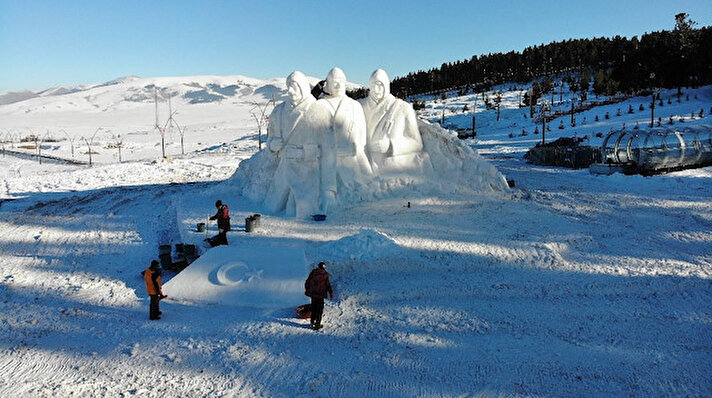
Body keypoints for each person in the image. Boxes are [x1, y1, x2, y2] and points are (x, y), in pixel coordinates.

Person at [265, 71, 336, 218]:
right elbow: (270, 140)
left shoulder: (319, 110)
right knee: (273, 209)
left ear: (303, 87)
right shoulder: (278, 111)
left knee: (299, 212)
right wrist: (272, 145)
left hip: (307, 172)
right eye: (288, 86)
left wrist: (329, 188)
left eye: (295, 86)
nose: (290, 91)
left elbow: (329, 151)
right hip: (284, 170)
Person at [314, 67, 372, 208]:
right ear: (327, 84)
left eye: (341, 82)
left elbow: (362, 133)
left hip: (351, 158)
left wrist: (356, 147)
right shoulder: (319, 105)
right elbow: (314, 133)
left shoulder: (355, 105)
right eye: (335, 82)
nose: (339, 86)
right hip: (327, 161)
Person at [359, 68, 429, 175]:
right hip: (364, 168)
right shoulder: (358, 106)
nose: (376, 90)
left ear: (386, 86)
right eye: (373, 85)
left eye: (379, 85)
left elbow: (416, 143)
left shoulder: (403, 108)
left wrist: (391, 146)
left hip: (392, 171)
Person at [304, 261, 334, 330]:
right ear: (324, 267)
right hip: (320, 295)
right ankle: (317, 324)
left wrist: (308, 290)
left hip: (313, 295)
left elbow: (307, 282)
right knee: (319, 310)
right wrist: (331, 292)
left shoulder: (313, 273)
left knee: (314, 308)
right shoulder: (325, 275)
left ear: (318, 266)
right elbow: (327, 285)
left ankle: (312, 322)